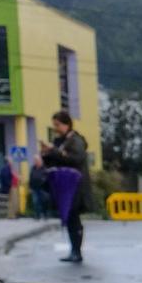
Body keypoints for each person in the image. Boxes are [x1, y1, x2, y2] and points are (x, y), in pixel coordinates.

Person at [37, 110, 91, 264]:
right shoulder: (60, 141)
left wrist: (53, 151)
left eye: (58, 125)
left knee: (74, 218)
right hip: (64, 185)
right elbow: (55, 160)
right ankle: (73, 250)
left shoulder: (76, 140)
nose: (55, 128)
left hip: (75, 185)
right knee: (69, 218)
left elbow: (75, 159)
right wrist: (46, 154)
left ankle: (76, 251)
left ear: (66, 124)